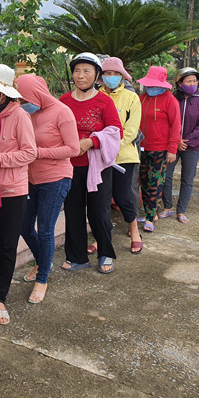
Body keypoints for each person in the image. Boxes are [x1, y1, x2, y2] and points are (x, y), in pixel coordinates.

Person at [0, 64, 36, 320]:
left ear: (3, 93)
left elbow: (29, 152)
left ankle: (1, 298)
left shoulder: (19, 115)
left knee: (7, 244)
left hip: (12, 190)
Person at [16, 74, 79, 302]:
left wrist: (39, 153)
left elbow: (73, 149)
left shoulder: (62, 112)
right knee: (24, 225)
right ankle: (44, 261)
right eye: (20, 101)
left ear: (38, 94)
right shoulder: (28, 112)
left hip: (56, 178)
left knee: (45, 230)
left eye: (25, 99)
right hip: (31, 178)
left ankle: (42, 278)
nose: (23, 104)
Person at [60, 53, 122, 274]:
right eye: (77, 71)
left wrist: (91, 141)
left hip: (97, 166)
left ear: (96, 75)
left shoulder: (105, 101)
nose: (80, 75)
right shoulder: (64, 101)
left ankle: (105, 251)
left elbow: (116, 132)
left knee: (98, 212)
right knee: (73, 211)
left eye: (86, 71)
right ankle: (77, 256)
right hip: (69, 165)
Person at [99, 57, 144, 253]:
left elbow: (131, 130)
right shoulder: (95, 95)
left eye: (115, 74)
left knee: (124, 195)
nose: (111, 77)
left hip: (125, 155)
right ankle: (102, 235)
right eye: (107, 73)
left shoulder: (131, 97)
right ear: (101, 76)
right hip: (98, 155)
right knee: (101, 198)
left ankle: (134, 230)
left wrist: (111, 146)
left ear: (122, 77)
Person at [160, 67, 199, 224]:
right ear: (180, 83)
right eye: (189, 81)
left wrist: (187, 141)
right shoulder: (173, 99)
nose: (193, 83)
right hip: (173, 144)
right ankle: (167, 207)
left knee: (187, 179)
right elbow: (166, 122)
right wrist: (176, 141)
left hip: (192, 147)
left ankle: (181, 210)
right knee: (166, 176)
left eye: (195, 80)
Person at [136, 66, 181, 233]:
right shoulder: (141, 99)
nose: (150, 88)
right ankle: (151, 212)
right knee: (144, 181)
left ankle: (149, 218)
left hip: (161, 149)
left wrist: (172, 149)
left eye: (153, 85)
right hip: (141, 148)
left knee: (155, 182)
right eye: (148, 85)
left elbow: (176, 126)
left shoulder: (170, 101)